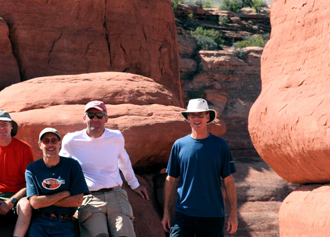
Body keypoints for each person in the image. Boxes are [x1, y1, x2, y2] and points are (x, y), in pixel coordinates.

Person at [60, 100, 149, 237]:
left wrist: (134, 184)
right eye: (91, 115)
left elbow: (124, 162)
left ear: (106, 119)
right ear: (84, 119)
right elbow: (61, 166)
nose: (95, 119)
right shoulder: (71, 140)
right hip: (89, 197)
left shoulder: (116, 137)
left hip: (116, 194)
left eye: (99, 115)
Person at [161, 98, 238, 237]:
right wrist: (166, 212)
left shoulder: (220, 146)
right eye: (192, 115)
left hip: (212, 215)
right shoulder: (179, 145)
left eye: (200, 115)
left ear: (207, 117)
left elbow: (228, 180)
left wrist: (233, 214)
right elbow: (171, 179)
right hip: (184, 214)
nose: (196, 119)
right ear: (188, 118)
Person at [26, 128, 89, 236]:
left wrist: (44, 200)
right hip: (39, 223)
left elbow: (77, 201)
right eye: (46, 141)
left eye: (54, 140)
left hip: (64, 223)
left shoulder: (72, 165)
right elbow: (35, 203)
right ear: (40, 145)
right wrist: (63, 194)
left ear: (59, 143)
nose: (50, 144)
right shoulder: (32, 168)